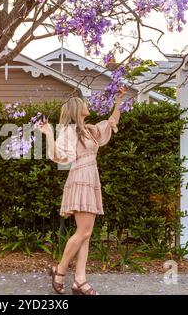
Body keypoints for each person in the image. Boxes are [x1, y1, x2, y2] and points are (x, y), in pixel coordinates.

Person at [38, 87, 127, 295]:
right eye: (84, 103)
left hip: (90, 177)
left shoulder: (91, 129)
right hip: (80, 178)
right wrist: (49, 134)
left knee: (85, 234)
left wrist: (119, 100)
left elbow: (112, 121)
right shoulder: (69, 132)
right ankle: (60, 271)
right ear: (78, 108)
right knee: (83, 231)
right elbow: (57, 156)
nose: (88, 105)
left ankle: (79, 279)